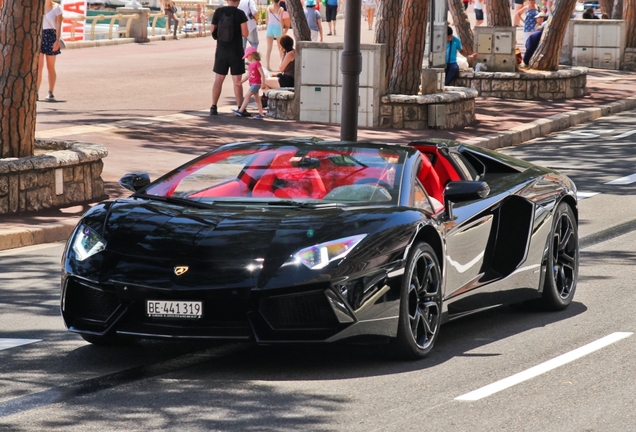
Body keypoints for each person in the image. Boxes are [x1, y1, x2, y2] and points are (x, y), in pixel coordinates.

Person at [209, 0, 249, 116]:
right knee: (237, 81)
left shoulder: (218, 12)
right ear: (239, 1)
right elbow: (245, 33)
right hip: (236, 50)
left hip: (221, 50)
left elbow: (212, 30)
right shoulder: (240, 14)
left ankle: (213, 106)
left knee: (219, 78)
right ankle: (240, 107)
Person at [38, 0, 63, 102]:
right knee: (38, 67)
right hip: (39, 37)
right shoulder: (38, 6)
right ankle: (36, 92)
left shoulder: (57, 8)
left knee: (50, 66)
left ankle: (50, 92)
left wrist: (57, 40)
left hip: (51, 37)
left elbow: (58, 25)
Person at [233, 47, 266, 119]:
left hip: (256, 84)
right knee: (257, 99)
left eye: (247, 56)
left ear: (251, 55)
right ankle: (261, 114)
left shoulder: (257, 64)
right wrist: (241, 82)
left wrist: (263, 83)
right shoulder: (250, 65)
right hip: (252, 83)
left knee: (247, 96)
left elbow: (262, 74)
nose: (247, 58)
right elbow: (248, 75)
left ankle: (241, 110)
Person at [265, 0, 284, 70]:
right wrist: (282, 31)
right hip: (277, 28)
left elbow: (267, 20)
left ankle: (267, 66)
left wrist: (268, 28)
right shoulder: (281, 9)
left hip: (270, 27)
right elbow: (281, 20)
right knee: (280, 48)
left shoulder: (268, 8)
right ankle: (282, 65)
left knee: (269, 48)